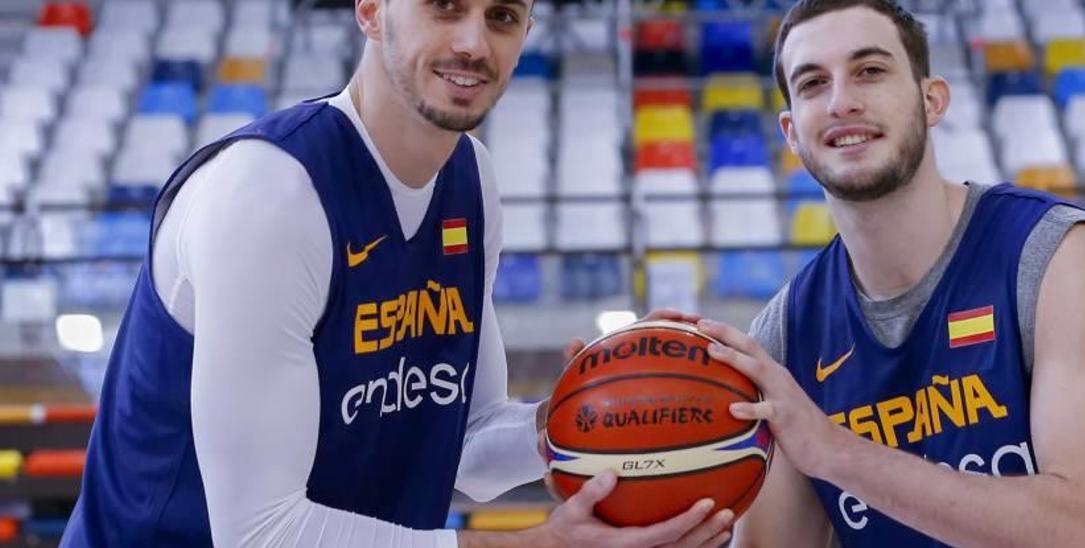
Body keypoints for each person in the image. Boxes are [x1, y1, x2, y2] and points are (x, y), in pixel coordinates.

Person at [62, 0, 732, 546]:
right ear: (371, 9)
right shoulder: (270, 194)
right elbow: (261, 533)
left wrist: (593, 412)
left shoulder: (472, 180)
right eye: (445, 6)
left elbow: (467, 450)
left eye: (502, 16)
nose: (474, 42)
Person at [696, 0, 1085, 545]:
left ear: (931, 101)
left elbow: (1083, 530)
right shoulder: (787, 335)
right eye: (813, 83)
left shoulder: (1056, 255)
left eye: (870, 71)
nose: (841, 102)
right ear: (792, 133)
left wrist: (835, 451)